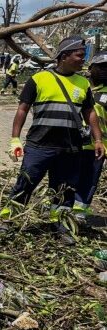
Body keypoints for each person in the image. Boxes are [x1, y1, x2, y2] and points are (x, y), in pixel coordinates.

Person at [1, 36, 105, 245]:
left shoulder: (83, 83)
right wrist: (15, 138)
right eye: (78, 55)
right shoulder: (38, 79)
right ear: (64, 56)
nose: (82, 60)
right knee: (25, 183)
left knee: (64, 190)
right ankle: (8, 220)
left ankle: (59, 226)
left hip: (70, 149)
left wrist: (98, 139)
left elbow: (89, 113)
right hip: (39, 145)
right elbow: (23, 109)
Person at [74, 51, 107, 223]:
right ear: (91, 67)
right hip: (74, 143)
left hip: (98, 147)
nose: (104, 71)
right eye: (101, 67)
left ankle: (79, 212)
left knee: (89, 180)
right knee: (68, 177)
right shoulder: (79, 86)